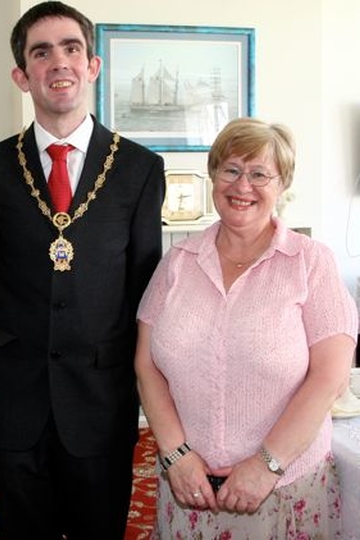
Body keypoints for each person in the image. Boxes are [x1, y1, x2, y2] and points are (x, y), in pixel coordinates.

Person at [0, 2, 165, 539]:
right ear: (21, 75)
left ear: (92, 66)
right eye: (41, 52)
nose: (59, 62)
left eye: (72, 48)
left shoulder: (140, 169)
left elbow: (144, 290)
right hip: (13, 401)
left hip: (100, 399)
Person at [135, 117, 358, 538]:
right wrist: (176, 454)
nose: (242, 186)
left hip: (284, 492)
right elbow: (146, 365)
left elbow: (329, 377)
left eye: (259, 174)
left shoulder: (311, 263)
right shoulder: (177, 263)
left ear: (282, 184)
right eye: (231, 170)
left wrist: (266, 465)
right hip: (190, 490)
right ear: (213, 175)